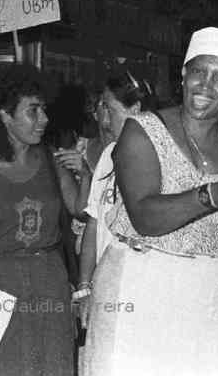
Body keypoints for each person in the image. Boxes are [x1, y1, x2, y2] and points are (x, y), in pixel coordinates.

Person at [82, 27, 218, 376]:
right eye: (199, 71)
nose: (205, 85)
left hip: (206, 297)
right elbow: (144, 216)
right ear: (183, 74)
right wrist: (210, 195)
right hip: (138, 284)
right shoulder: (141, 131)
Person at [0, 64, 85, 375]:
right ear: (4, 115)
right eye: (33, 111)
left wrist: (86, 173)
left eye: (44, 110)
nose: (45, 120)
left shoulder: (53, 162)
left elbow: (80, 209)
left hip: (49, 285)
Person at [75, 67, 157, 327]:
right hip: (103, 283)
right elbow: (93, 225)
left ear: (135, 110)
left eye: (110, 109)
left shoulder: (160, 160)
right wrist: (85, 287)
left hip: (140, 288)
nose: (105, 121)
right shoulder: (108, 154)